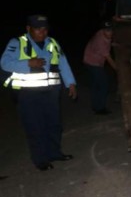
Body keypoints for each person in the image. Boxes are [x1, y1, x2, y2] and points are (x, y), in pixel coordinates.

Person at [1, 15, 77, 171]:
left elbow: (63, 63)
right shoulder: (17, 43)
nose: (42, 32)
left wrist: (71, 83)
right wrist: (27, 63)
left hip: (51, 92)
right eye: (38, 29)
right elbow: (5, 63)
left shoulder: (52, 43)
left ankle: (54, 153)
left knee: (54, 124)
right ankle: (40, 159)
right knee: (35, 127)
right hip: (28, 94)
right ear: (28, 29)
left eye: (45, 28)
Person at [83, 21, 116, 115]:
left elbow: (108, 42)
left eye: (111, 30)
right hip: (93, 62)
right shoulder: (100, 41)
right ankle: (100, 108)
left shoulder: (102, 33)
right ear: (103, 30)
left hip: (88, 58)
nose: (110, 32)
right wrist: (118, 69)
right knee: (104, 84)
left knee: (95, 84)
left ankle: (95, 106)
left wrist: (113, 44)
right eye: (107, 30)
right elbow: (109, 58)